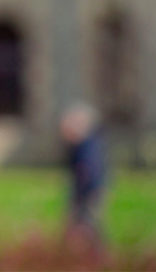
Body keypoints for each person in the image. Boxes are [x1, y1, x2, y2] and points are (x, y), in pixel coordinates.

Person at [61, 102, 107, 262]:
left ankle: (90, 256)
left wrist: (81, 195)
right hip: (90, 190)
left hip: (88, 191)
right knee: (88, 222)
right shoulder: (87, 145)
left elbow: (88, 172)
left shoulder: (87, 148)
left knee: (86, 222)